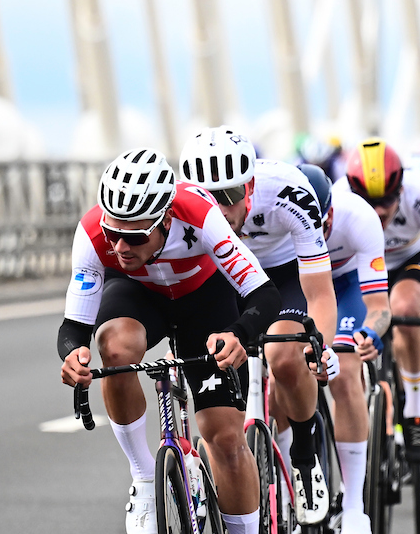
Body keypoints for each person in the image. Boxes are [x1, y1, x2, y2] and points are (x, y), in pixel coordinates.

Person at [58, 149, 281, 534]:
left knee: (225, 438)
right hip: (138, 294)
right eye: (114, 234)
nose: (120, 248)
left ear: (165, 220)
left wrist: (239, 334)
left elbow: (264, 294)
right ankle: (145, 476)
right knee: (113, 347)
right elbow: (74, 326)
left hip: (205, 301)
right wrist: (72, 355)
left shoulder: (200, 214)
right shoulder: (93, 232)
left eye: (133, 236)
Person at [179, 128, 338, 525]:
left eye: (229, 197)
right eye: (207, 200)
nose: (220, 210)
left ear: (250, 185)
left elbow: (318, 292)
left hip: (282, 276)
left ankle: (304, 453)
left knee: (285, 356)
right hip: (222, 276)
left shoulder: (288, 190)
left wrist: (321, 348)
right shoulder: (178, 207)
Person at [340, 138, 420, 464]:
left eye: (388, 199)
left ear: (401, 189)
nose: (379, 211)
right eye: (369, 201)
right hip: (361, 264)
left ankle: (417, 409)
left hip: (410, 261)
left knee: (405, 309)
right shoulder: (337, 199)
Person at [298, 164, 389, 534]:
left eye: (319, 228)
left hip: (346, 285)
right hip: (299, 283)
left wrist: (370, 332)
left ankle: (354, 504)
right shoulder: (279, 221)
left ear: (330, 213)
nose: (313, 237)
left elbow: (380, 306)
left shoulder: (359, 219)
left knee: (345, 376)